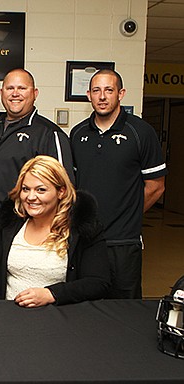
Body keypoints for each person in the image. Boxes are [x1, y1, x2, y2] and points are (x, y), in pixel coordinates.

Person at [70, 69, 167, 299]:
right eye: (96, 90)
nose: (102, 96)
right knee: (84, 305)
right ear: (88, 95)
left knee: (125, 308)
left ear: (120, 93)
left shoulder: (141, 132)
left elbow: (156, 186)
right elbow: (72, 186)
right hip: (86, 239)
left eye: (108, 90)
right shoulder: (77, 133)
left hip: (124, 243)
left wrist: (128, 214)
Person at [0, 68, 74, 255]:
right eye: (10, 88)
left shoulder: (48, 134)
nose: (15, 93)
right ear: (2, 93)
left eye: (22, 88)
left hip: (24, 236)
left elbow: (65, 189)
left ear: (35, 93)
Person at [0, 155, 111, 306]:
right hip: (11, 317)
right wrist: (0, 309)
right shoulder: (11, 223)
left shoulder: (82, 228)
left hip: (62, 316)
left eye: (41, 190)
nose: (31, 197)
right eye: (25, 189)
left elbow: (98, 283)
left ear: (61, 192)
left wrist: (52, 294)